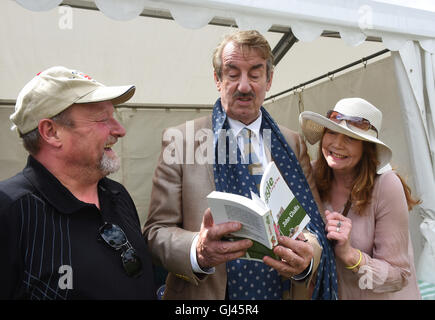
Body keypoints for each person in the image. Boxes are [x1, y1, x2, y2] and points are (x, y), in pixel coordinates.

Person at [144, 30, 338, 300]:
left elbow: (312, 224)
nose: (244, 86)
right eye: (233, 74)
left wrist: (307, 259)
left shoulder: (292, 143)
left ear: (269, 80)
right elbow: (155, 232)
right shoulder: (181, 142)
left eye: (255, 74)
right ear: (217, 79)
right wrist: (197, 250)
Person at [0, 66, 155, 299]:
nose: (120, 130)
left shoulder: (116, 194)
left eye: (115, 116)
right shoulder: (11, 210)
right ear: (51, 132)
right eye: (103, 119)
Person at [299, 97, 421, 299]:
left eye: (350, 138)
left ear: (367, 148)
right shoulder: (311, 175)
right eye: (332, 132)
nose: (337, 144)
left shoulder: (386, 186)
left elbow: (398, 276)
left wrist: (350, 255)